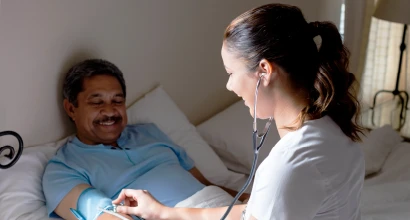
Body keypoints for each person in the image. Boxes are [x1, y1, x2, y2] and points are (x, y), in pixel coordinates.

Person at [112, 3, 366, 220]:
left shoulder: (288, 165)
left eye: (231, 73)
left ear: (264, 71)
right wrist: (164, 212)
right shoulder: (332, 131)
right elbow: (252, 214)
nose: (229, 85)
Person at [42, 59, 248, 220]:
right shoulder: (63, 169)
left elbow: (203, 184)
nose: (109, 111)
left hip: (224, 208)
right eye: (97, 102)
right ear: (71, 108)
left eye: (117, 100)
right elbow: (107, 217)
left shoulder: (149, 133)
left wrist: (250, 202)